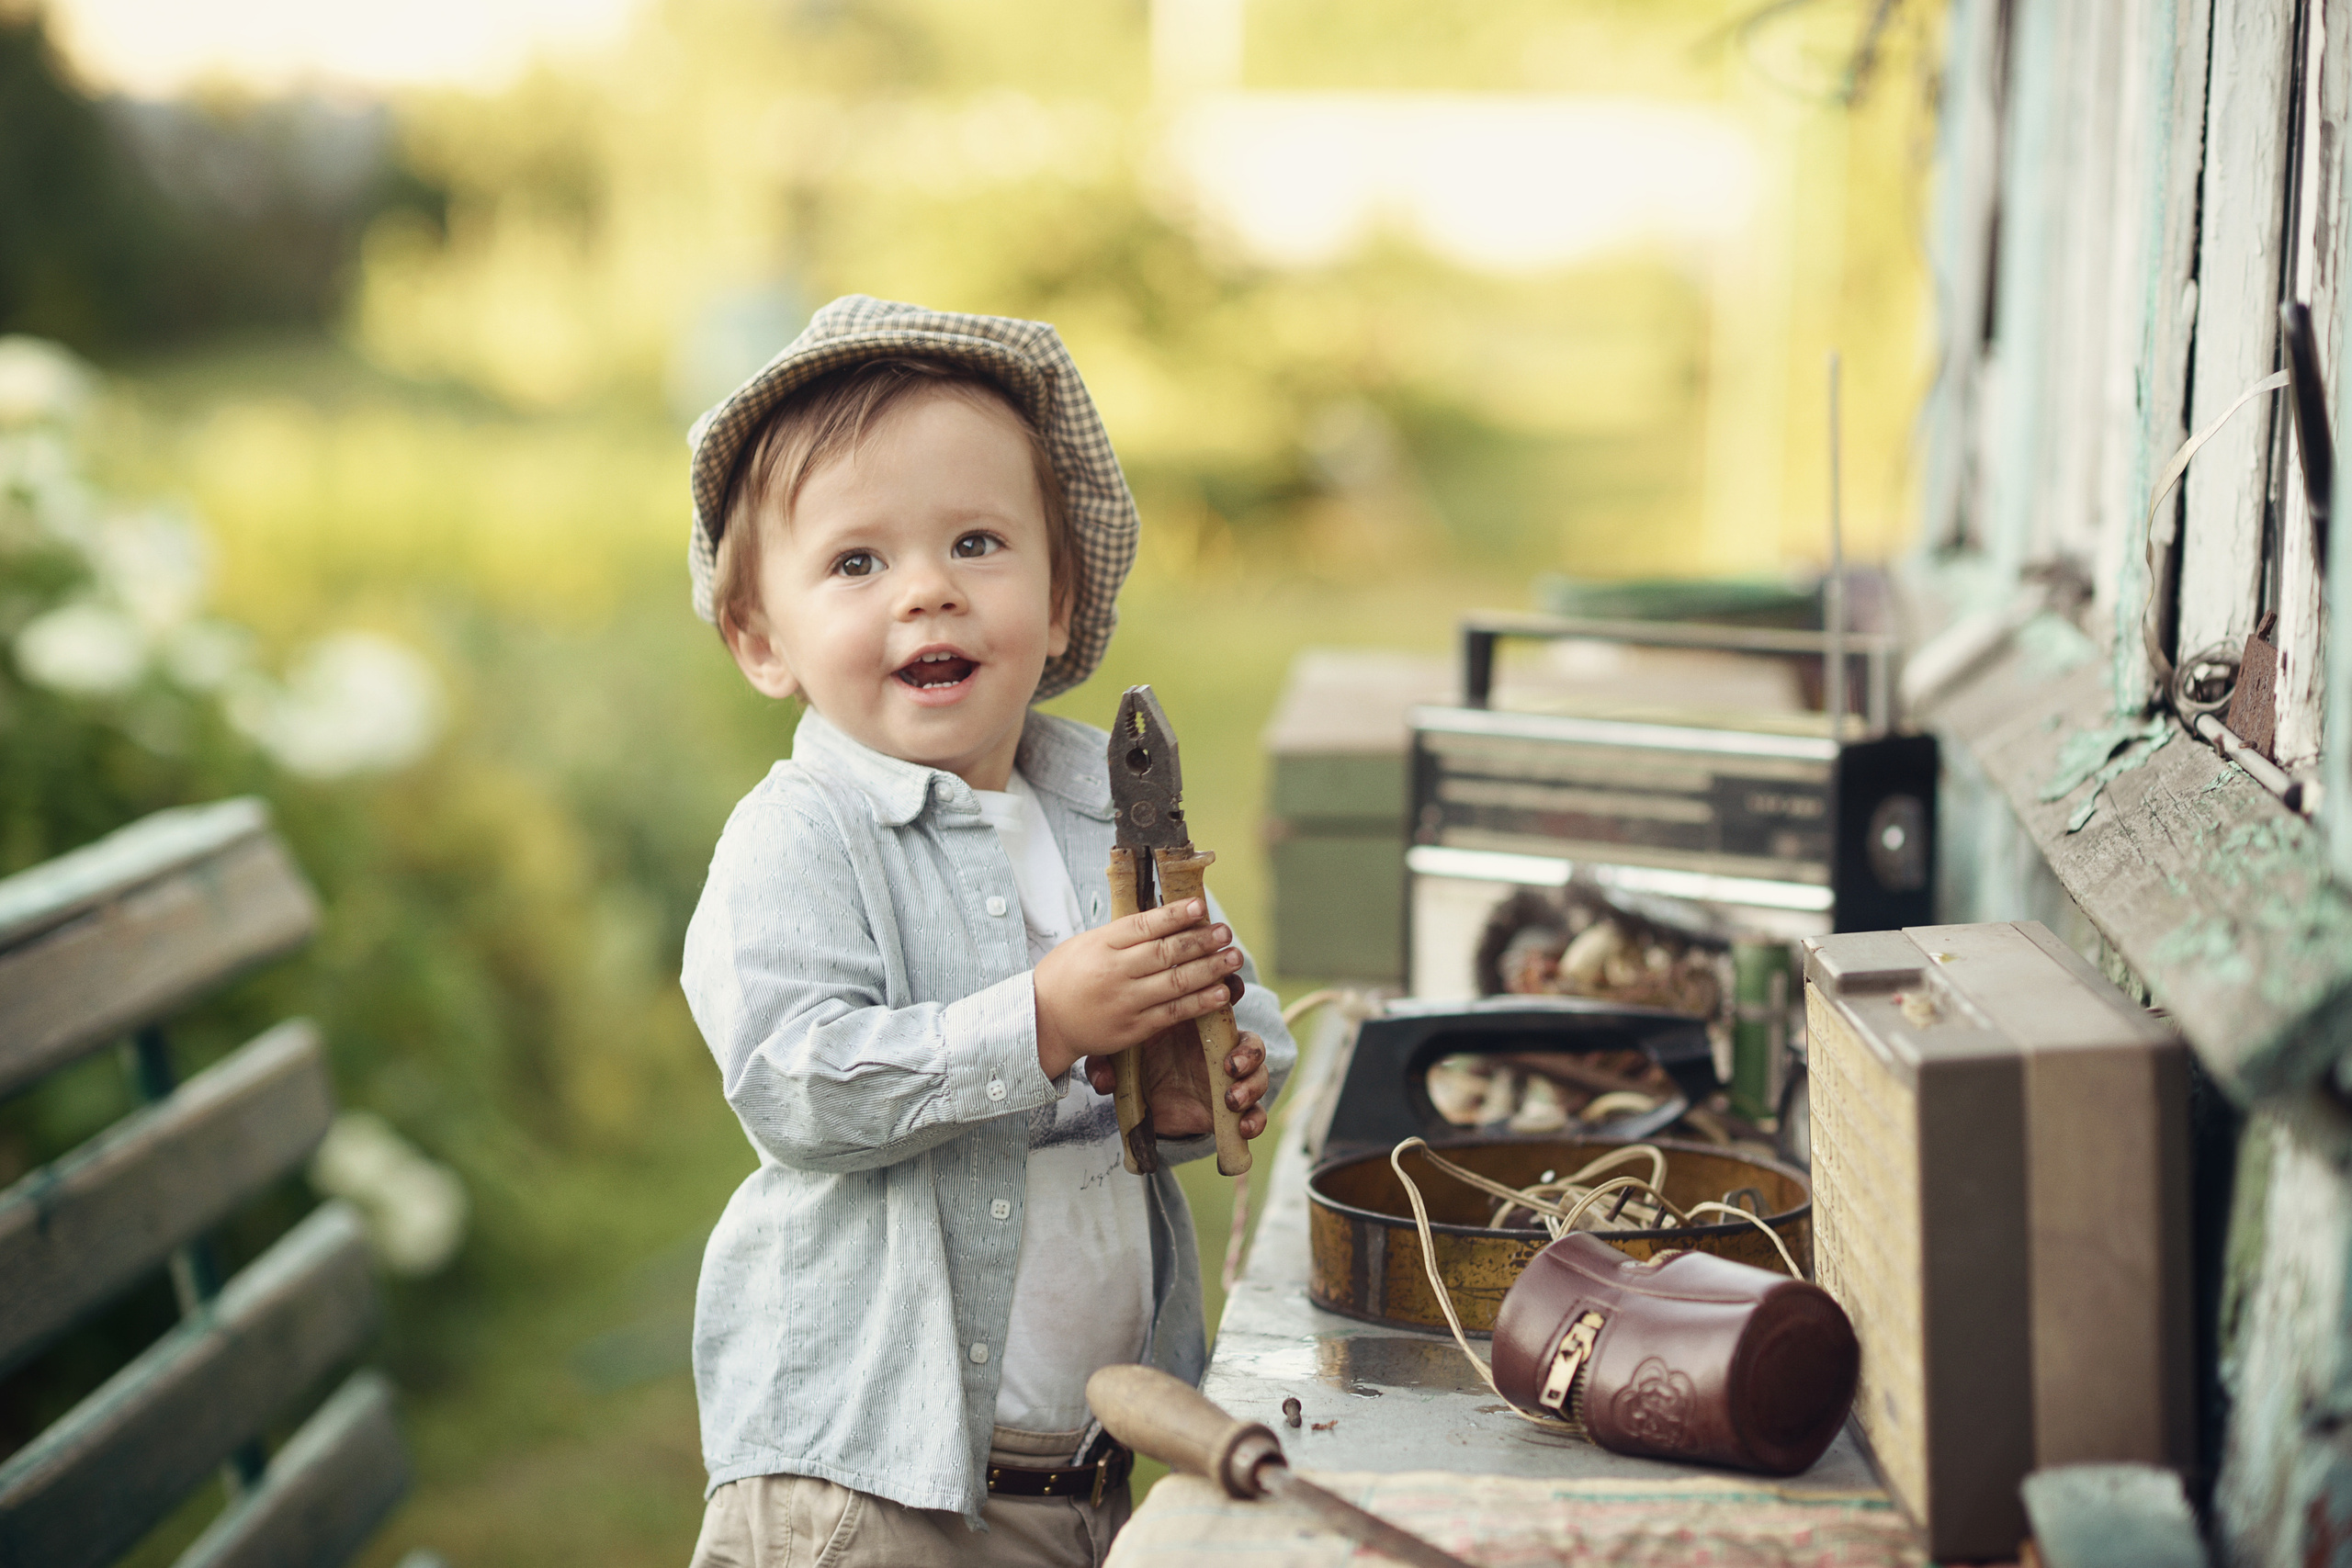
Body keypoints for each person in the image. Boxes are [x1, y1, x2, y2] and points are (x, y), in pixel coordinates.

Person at [678, 296, 1295, 1568]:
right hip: (869, 1488)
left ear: (1061, 602)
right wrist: (1045, 1018)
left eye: (976, 542)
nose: (928, 594)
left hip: (1087, 1472)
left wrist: (1220, 1074)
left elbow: (1233, 1003)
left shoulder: (1108, 818)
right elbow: (797, 1085)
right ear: (760, 640)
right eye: (857, 564)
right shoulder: (800, 840)